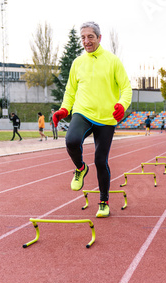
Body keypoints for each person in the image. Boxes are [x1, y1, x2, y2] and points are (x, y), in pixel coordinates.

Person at [52, 21, 132, 218]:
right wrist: (64, 109)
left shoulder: (113, 61)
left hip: (106, 118)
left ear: (99, 38)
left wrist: (122, 105)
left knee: (100, 160)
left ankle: (103, 202)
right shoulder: (78, 63)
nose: (86, 41)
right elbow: (70, 91)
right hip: (83, 112)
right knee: (71, 140)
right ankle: (80, 168)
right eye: (83, 38)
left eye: (90, 37)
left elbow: (126, 88)